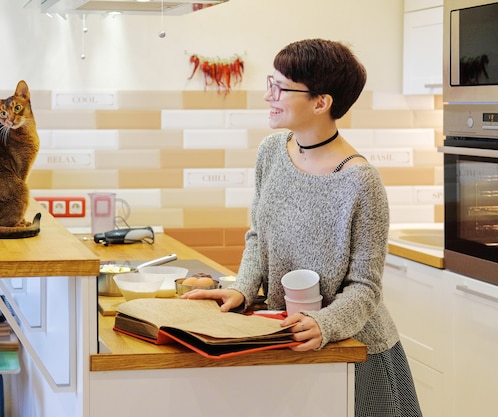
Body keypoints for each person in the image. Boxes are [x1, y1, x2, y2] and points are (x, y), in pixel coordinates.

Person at [181, 38, 423, 417]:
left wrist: (323, 322)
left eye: (280, 87)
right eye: (269, 82)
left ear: (320, 102)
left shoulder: (361, 182)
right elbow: (258, 236)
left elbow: (366, 287)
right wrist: (241, 290)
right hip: (287, 337)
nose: (268, 96)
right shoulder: (272, 151)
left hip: (355, 349)